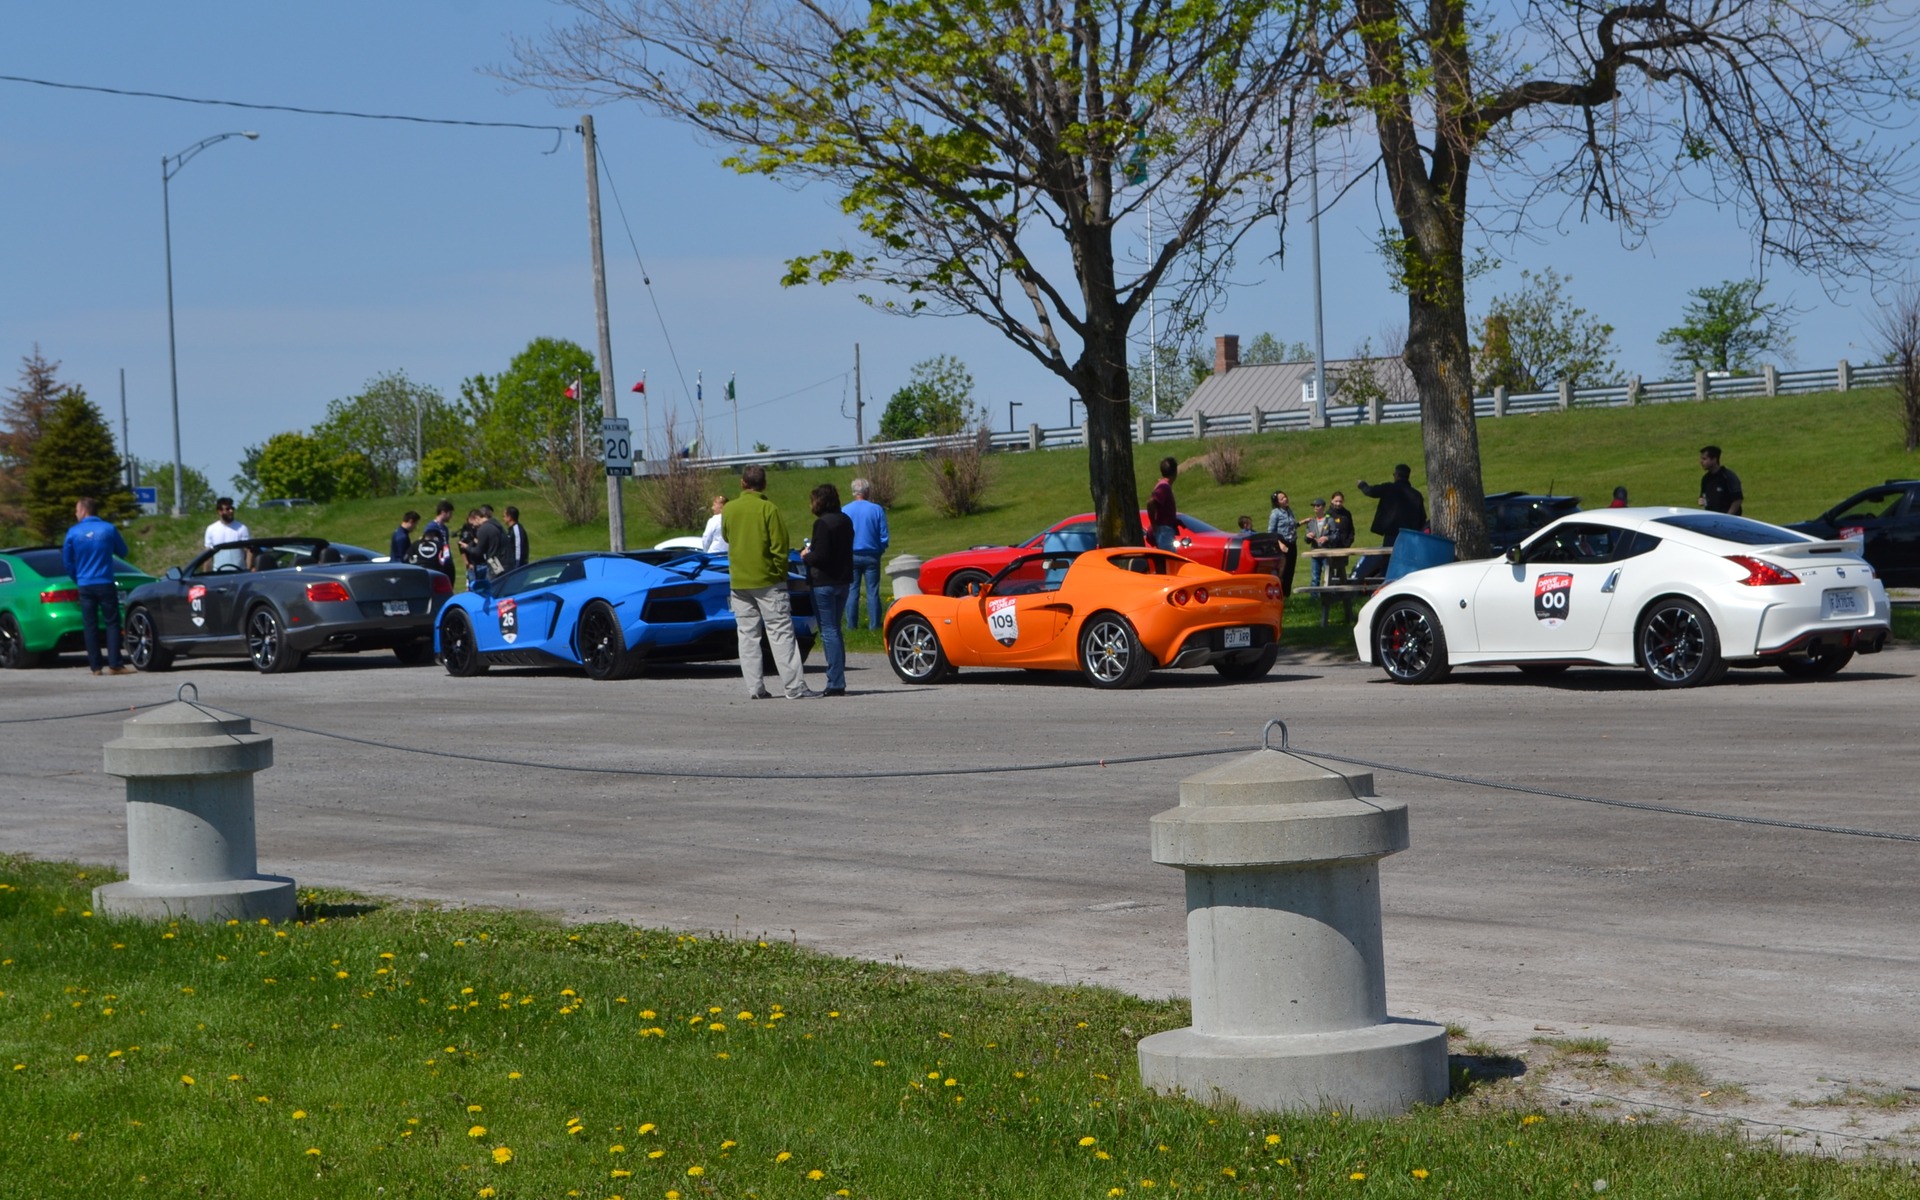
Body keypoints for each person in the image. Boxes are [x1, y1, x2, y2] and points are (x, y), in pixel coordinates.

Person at [720, 465, 816, 700]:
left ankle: (755, 688)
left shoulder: (729, 509)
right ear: (764, 485)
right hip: (768, 580)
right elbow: (779, 546)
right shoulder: (768, 509)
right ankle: (794, 686)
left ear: (742, 483)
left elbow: (726, 536)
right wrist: (779, 572)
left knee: (747, 635)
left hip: (740, 581)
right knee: (780, 632)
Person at [62, 497, 133, 675]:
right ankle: (115, 663)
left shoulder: (73, 532)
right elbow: (123, 551)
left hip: (85, 584)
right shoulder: (108, 529)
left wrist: (77, 578)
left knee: (90, 625)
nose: (76, 513)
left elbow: (68, 561)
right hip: (105, 581)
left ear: (84, 511)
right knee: (112, 623)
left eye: (77, 510)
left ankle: (95, 667)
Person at [800, 482, 854, 697]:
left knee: (829, 631)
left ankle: (835, 681)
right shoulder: (845, 520)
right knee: (836, 630)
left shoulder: (822, 523)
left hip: (824, 582)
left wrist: (806, 555)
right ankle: (838, 677)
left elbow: (820, 556)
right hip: (843, 580)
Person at [843, 477, 890, 629]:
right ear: (867, 491)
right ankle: (874, 625)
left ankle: (851, 625)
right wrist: (880, 549)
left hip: (850, 555)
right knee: (872, 591)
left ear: (853, 492)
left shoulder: (845, 510)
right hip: (871, 554)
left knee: (852, 591)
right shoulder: (876, 509)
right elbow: (884, 535)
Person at [1267, 490, 1300, 597]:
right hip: (1281, 545)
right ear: (1277, 502)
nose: (1285, 499)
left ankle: (1287, 596)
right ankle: (1278, 596)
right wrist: (1280, 544)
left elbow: (1291, 525)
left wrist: (1302, 523)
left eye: (1285, 497)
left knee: (1290, 570)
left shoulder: (1289, 511)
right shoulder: (1275, 513)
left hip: (1292, 544)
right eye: (1282, 499)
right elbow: (1271, 532)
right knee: (1282, 571)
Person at [204, 496, 250, 571]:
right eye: (228, 509)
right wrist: (206, 575)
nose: (231, 511)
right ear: (219, 511)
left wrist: (248, 570)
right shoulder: (211, 529)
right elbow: (207, 556)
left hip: (238, 572)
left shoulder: (242, 528)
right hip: (218, 573)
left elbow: (248, 551)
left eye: (232, 508)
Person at [416, 500, 457, 583]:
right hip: (438, 562)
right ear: (443, 512)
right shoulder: (432, 527)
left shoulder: (444, 528)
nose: (451, 516)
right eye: (450, 513)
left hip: (447, 560)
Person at [1147, 457, 1179, 551]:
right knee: (1170, 562)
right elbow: (1151, 503)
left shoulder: (1163, 485)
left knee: (1166, 562)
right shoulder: (1164, 486)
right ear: (1175, 472)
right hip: (1164, 531)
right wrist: (1153, 523)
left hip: (1165, 529)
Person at [1325, 491, 1357, 583]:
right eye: (1336, 501)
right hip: (1331, 547)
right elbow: (1325, 531)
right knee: (1330, 571)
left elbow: (1351, 529)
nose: (1338, 503)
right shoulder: (1328, 514)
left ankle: (1343, 593)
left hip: (1344, 546)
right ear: (1332, 501)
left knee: (1341, 570)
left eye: (1340, 501)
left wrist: (1349, 542)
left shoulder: (1347, 514)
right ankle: (1329, 594)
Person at [1699, 446, 1743, 514]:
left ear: (1714, 459)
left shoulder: (1727, 476)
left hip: (1728, 520)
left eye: (1704, 459)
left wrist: (1728, 516)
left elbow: (1737, 499)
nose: (1701, 462)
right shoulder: (1706, 478)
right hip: (1712, 519)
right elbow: (1703, 496)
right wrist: (1701, 500)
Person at [1302, 498, 1332, 587]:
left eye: (1318, 505)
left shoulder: (1329, 520)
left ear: (1323, 507)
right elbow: (1306, 540)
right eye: (1314, 506)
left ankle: (1329, 596)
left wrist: (1327, 538)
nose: (1315, 507)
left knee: (1328, 576)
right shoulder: (1311, 522)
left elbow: (1335, 535)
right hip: (1315, 552)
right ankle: (1314, 597)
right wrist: (1308, 537)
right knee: (1315, 577)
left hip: (1326, 552)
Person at [502, 506, 531, 572]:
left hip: (517, 567)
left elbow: (518, 548)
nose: (503, 518)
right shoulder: (511, 530)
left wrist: (517, 567)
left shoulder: (516, 529)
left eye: (504, 516)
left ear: (509, 517)